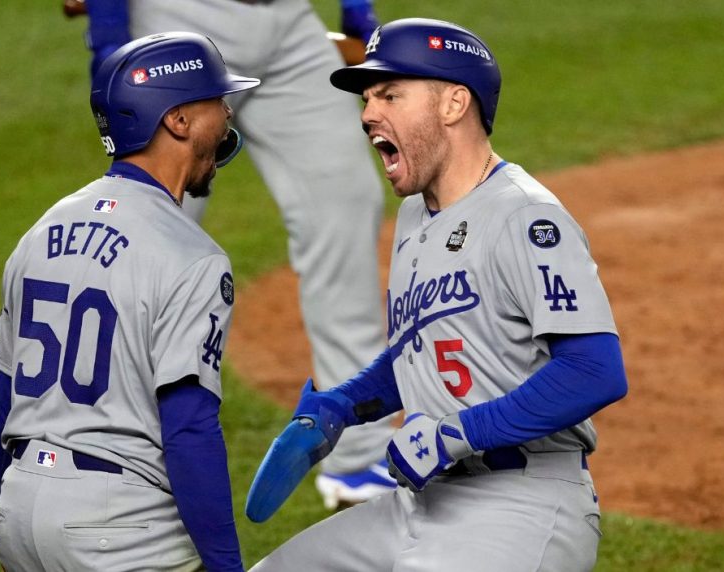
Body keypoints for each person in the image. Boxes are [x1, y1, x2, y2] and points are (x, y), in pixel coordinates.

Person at [245, 18, 629, 571]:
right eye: (368, 98)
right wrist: (343, 406)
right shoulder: (414, 216)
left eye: (390, 95)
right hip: (420, 502)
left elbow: (595, 371)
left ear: (454, 104)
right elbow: (428, 349)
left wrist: (455, 435)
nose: (368, 114)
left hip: (520, 505)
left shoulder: (524, 215)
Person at [69, 0, 399, 509]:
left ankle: (357, 454)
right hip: (180, 21)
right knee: (147, 226)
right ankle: (97, 448)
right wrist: (110, 41)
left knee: (345, 200)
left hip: (291, 27)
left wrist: (357, 10)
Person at [0, 32, 259, 571]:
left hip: (21, 505)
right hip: (118, 528)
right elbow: (189, 428)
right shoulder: (192, 256)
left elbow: (3, 405)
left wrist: (8, 517)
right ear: (177, 120)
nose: (227, 115)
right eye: (215, 102)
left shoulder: (41, 230)